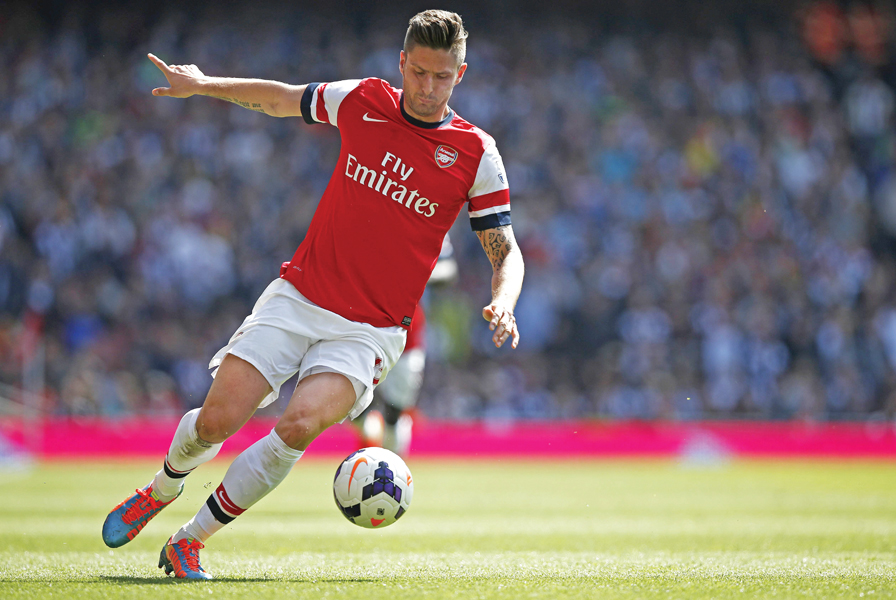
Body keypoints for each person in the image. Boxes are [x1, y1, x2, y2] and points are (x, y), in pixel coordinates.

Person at [101, 9, 524, 581]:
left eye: (441, 76)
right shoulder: (364, 100)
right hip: (299, 297)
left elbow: (505, 250)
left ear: (461, 74)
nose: (427, 88)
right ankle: (161, 487)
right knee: (217, 422)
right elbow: (281, 98)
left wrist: (505, 298)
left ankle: (189, 541)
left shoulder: (476, 153)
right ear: (402, 63)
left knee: (298, 424)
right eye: (418, 72)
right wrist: (203, 85)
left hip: (371, 330)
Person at [358, 235, 458, 455]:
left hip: (405, 328)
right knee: (346, 396)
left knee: (397, 406)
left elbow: (448, 270)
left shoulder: (429, 219)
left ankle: (389, 454)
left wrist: (412, 273)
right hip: (357, 320)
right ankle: (368, 428)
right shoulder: (364, 212)